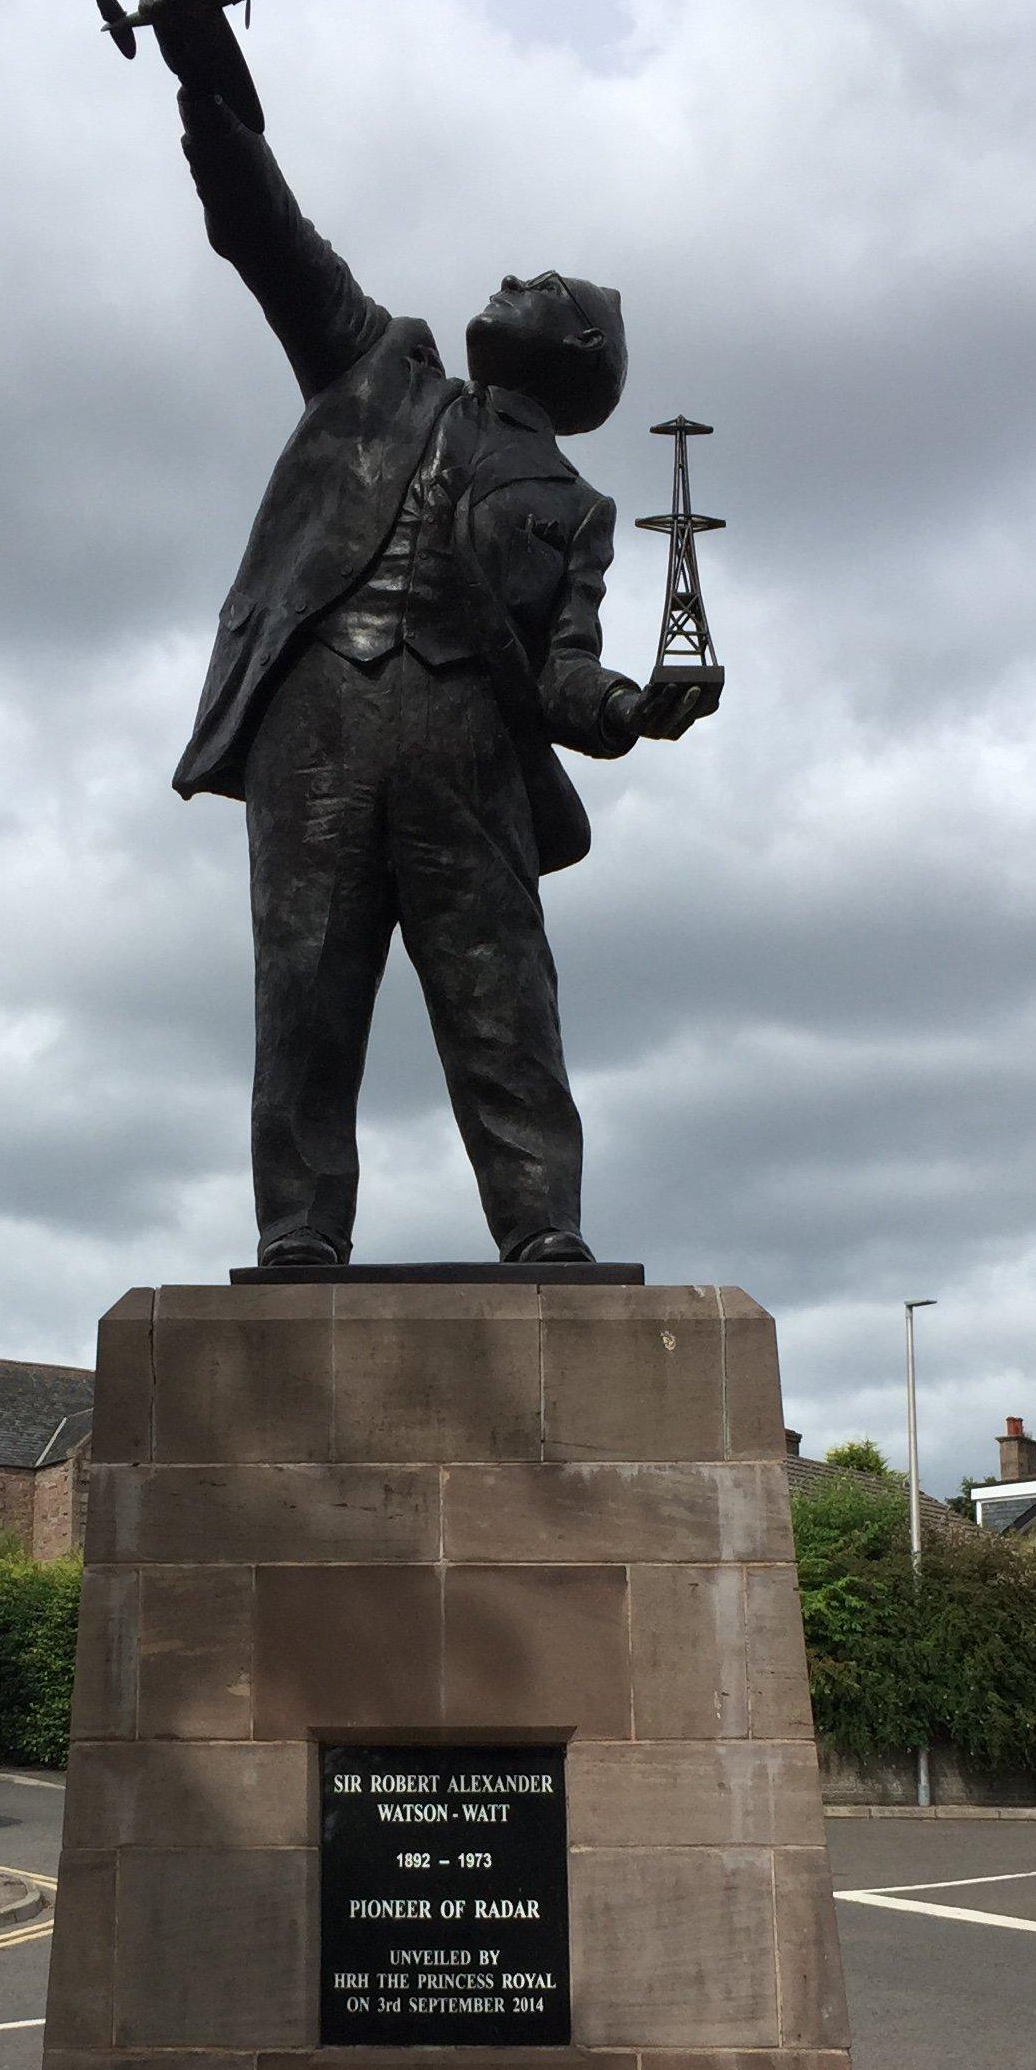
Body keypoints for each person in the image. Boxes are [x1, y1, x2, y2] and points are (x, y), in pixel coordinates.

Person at [167, 79, 718, 1268]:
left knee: (500, 992)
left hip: (469, 740)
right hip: (317, 714)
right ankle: (301, 1230)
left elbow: (565, 670)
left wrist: (634, 709)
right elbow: (271, 239)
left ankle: (544, 1225)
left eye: (541, 285)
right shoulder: (377, 365)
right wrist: (207, 98)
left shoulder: (576, 507)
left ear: (580, 346)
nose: (510, 279)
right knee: (304, 986)